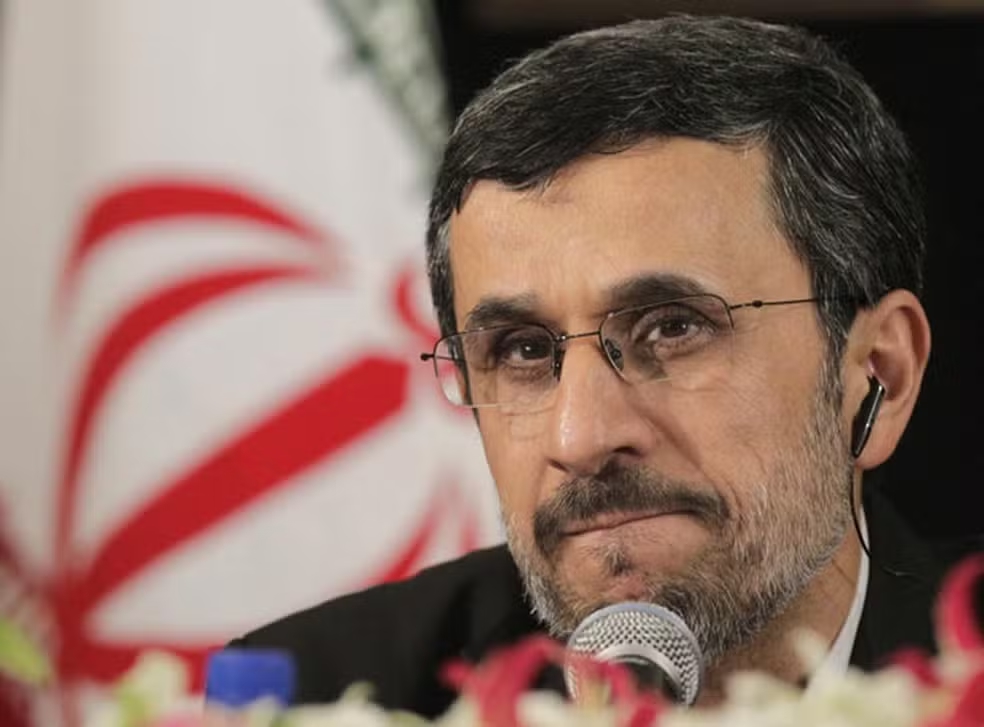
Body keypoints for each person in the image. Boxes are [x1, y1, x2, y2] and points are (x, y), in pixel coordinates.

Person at [233, 14, 950, 715]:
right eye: (522, 350)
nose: (579, 438)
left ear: (878, 375)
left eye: (672, 328)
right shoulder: (316, 698)